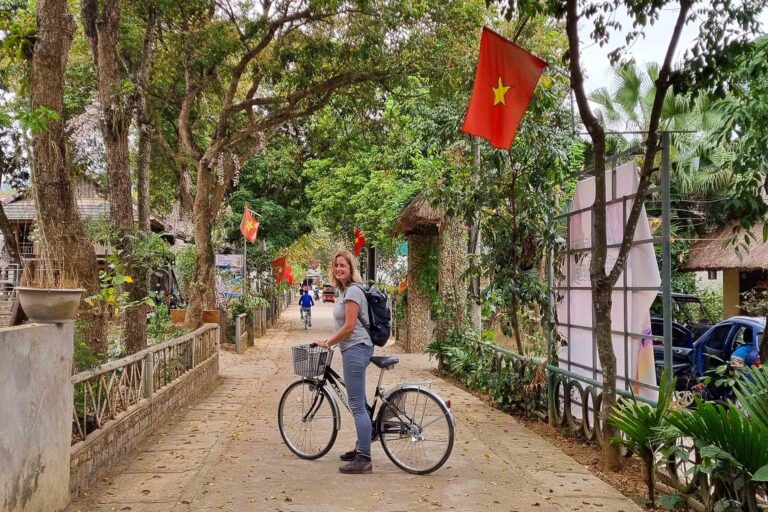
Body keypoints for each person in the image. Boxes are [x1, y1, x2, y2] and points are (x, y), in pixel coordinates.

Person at [314, 249, 373, 474]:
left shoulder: (352, 293)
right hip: (356, 348)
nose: (339, 269)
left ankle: (364, 459)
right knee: (360, 403)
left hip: (356, 349)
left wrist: (328, 341)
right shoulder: (346, 291)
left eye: (343, 266)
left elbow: (348, 327)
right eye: (336, 265)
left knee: (356, 405)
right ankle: (362, 446)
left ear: (351, 269)